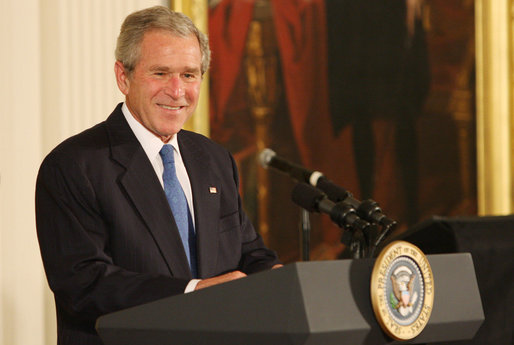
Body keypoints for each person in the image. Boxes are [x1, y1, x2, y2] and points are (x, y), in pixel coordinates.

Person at [35, 6, 281, 345]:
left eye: (189, 75)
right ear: (124, 77)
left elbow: (249, 254)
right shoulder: (74, 165)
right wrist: (192, 292)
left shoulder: (214, 159)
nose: (177, 91)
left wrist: (279, 281)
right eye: (161, 73)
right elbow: (84, 284)